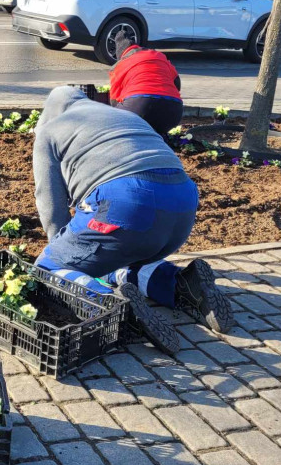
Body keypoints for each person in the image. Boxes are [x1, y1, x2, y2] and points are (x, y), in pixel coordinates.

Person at [32, 86, 232, 354]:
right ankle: (182, 285)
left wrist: (60, 251)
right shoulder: (126, 116)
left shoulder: (52, 130)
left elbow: (49, 200)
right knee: (110, 260)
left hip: (126, 204)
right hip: (182, 205)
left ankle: (111, 306)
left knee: (47, 267)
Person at [108, 33, 183, 138]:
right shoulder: (159, 56)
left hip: (139, 107)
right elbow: (177, 82)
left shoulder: (119, 65)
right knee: (156, 123)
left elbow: (114, 100)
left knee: (114, 118)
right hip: (173, 111)